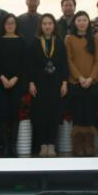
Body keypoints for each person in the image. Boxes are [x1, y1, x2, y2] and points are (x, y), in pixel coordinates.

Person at [27, 13, 68, 157]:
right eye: (44, 24)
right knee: (40, 114)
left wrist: (64, 82)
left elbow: (64, 64)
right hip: (39, 83)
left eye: (50, 23)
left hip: (56, 83)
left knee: (53, 114)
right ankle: (43, 145)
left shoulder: (60, 43)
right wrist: (31, 82)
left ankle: (51, 144)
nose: (47, 26)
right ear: (41, 26)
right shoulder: (35, 42)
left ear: (54, 25)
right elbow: (30, 65)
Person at [65, 11, 98, 157]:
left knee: (90, 114)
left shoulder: (95, 39)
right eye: (79, 20)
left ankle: (89, 145)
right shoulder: (69, 39)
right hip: (75, 82)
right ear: (75, 22)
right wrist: (79, 77)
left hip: (92, 83)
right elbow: (68, 60)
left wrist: (91, 78)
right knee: (78, 113)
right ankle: (78, 145)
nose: (82, 23)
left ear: (88, 22)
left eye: (84, 20)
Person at [0, 14, 26, 157]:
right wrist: (2, 78)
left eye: (12, 23)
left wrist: (15, 78)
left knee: (14, 114)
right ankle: (5, 146)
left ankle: (13, 146)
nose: (10, 25)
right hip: (1, 83)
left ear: (16, 25)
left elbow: (24, 63)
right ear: (3, 25)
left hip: (16, 83)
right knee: (3, 114)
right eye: (7, 23)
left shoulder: (22, 41)